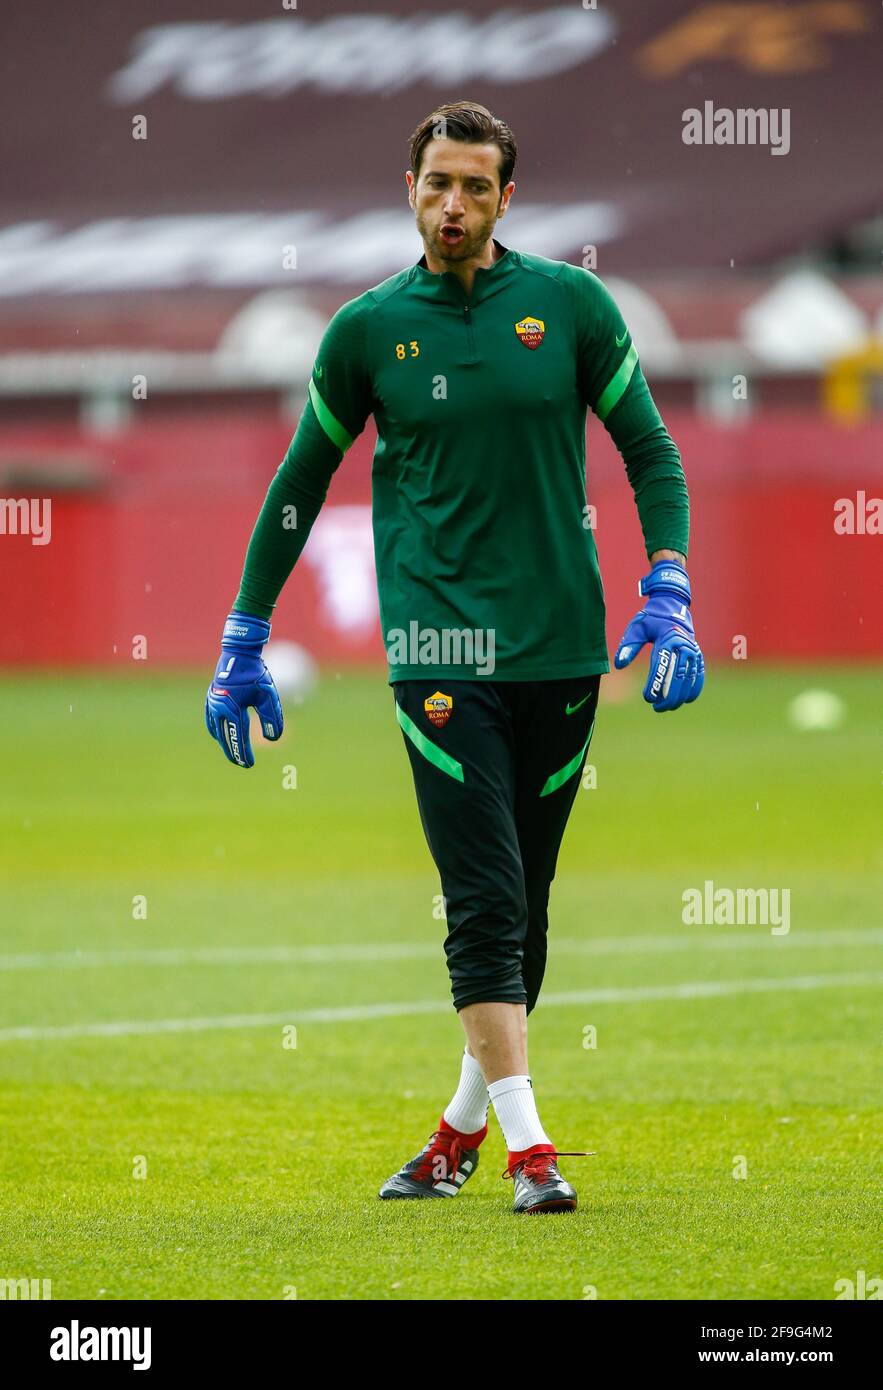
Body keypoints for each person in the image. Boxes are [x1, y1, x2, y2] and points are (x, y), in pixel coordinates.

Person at [205, 101, 704, 1214]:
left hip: (563, 650)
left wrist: (665, 584)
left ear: (506, 198)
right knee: (482, 896)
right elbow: (298, 486)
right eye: (437, 183)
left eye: (476, 187)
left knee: (523, 906)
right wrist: (246, 628)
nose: (453, 205)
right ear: (410, 184)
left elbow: (650, 453)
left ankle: (453, 1136)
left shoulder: (569, 308)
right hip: (436, 647)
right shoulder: (368, 331)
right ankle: (533, 1152)